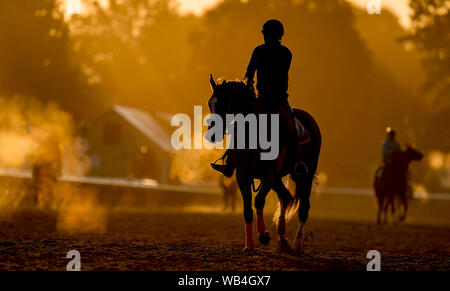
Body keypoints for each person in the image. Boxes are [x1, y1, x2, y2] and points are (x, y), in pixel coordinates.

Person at [211, 19, 308, 178]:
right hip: (260, 99)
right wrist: (247, 83)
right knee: (240, 125)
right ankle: (230, 163)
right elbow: (249, 72)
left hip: (279, 100)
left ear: (277, 36)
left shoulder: (285, 54)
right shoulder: (258, 51)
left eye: (270, 36)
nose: (267, 38)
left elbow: (279, 76)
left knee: (290, 127)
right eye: (266, 35)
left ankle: (296, 163)